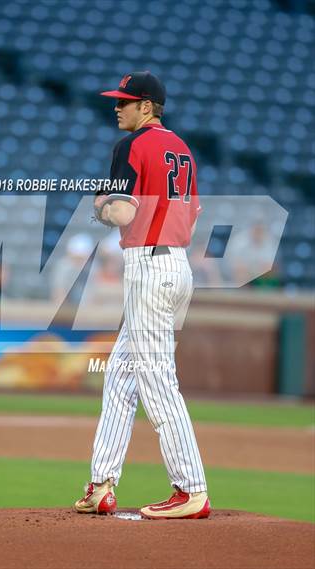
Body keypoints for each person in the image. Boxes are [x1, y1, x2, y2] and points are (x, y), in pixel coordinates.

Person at [74, 71, 210, 519]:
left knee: (156, 380)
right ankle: (102, 484)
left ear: (146, 107)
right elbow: (193, 213)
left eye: (125, 101)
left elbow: (120, 210)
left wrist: (99, 205)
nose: (117, 107)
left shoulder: (132, 146)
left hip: (150, 268)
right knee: (120, 375)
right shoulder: (182, 148)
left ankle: (191, 489)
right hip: (174, 264)